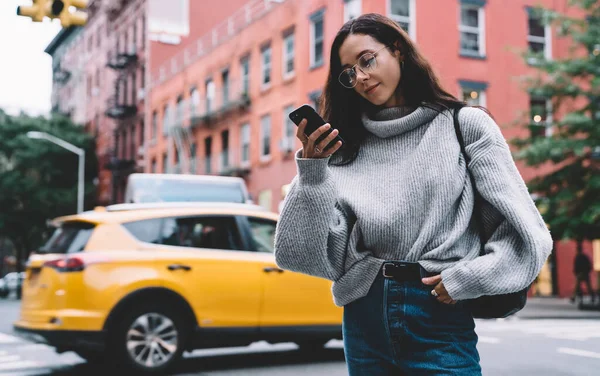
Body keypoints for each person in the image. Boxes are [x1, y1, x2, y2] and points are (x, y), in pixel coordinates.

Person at [273, 13, 553, 375]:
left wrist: (467, 279)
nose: (360, 77)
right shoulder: (345, 148)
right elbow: (297, 253)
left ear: (398, 51)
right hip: (364, 319)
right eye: (348, 73)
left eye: (366, 60)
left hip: (438, 314)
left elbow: (527, 234)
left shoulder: (463, 125)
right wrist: (312, 173)